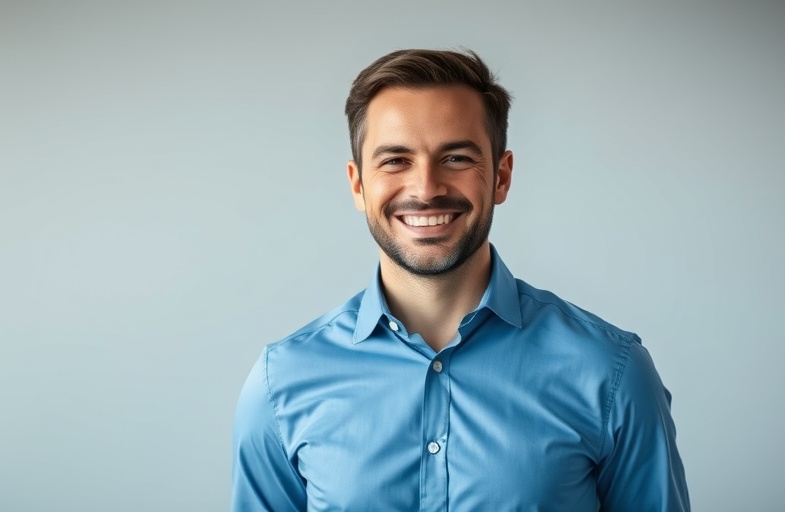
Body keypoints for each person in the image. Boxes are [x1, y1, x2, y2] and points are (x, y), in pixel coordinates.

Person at [231, 48, 689, 511]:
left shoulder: (610, 373)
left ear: (501, 177)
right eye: (395, 160)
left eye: (455, 157)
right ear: (357, 185)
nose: (426, 188)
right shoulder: (282, 383)